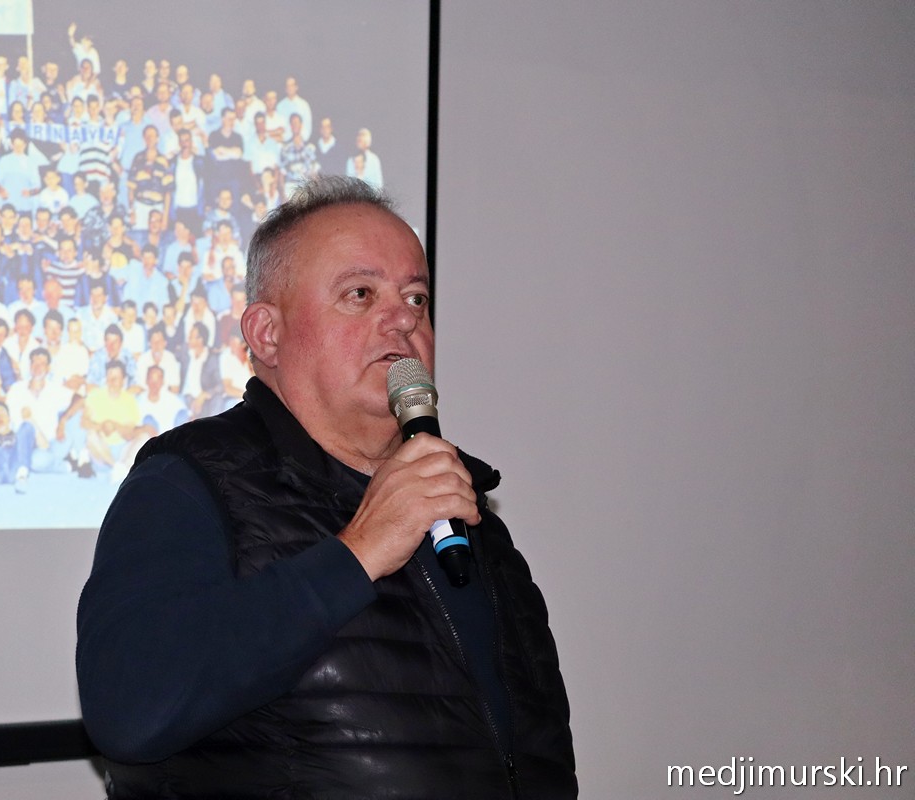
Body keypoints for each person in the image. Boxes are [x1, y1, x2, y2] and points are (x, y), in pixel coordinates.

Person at [76, 177, 576, 798]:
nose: (404, 319)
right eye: (360, 294)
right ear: (267, 334)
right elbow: (129, 710)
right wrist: (357, 552)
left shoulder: (469, 515)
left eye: (417, 298)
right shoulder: (187, 485)